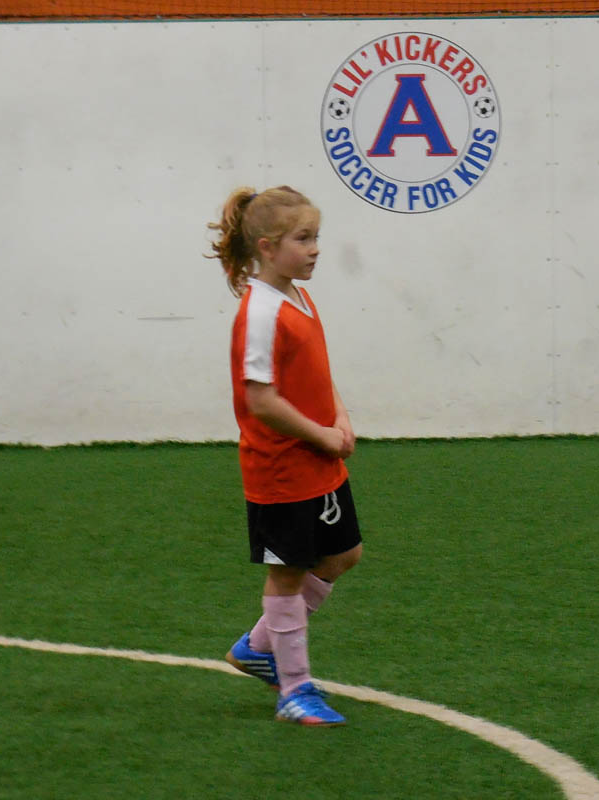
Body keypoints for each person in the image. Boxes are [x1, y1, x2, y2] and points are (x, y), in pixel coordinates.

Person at [207, 185, 362, 726]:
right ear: (267, 247)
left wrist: (339, 417)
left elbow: (316, 372)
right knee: (289, 573)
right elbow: (261, 399)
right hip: (282, 469)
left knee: (343, 555)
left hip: (318, 459)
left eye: (316, 236)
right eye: (303, 238)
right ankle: (294, 691)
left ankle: (256, 647)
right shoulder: (260, 312)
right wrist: (321, 435)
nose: (315, 248)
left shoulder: (299, 296)